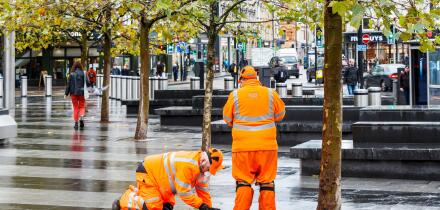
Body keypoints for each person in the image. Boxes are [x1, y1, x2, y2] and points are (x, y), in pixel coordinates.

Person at [223, 66, 286, 210]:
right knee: (267, 183)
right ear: (256, 78)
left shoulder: (235, 95)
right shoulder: (270, 93)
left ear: (241, 80)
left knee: (243, 183)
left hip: (242, 149)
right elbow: (280, 115)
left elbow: (227, 118)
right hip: (267, 148)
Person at [112, 148, 224, 210]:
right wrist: (201, 206)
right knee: (154, 207)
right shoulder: (188, 166)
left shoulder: (201, 169)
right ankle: (124, 200)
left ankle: (140, 196)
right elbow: (184, 193)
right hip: (148, 173)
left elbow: (203, 192)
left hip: (163, 181)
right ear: (204, 162)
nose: (209, 172)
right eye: (210, 169)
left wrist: (208, 208)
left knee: (167, 208)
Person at [65, 61, 90, 129]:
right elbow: (88, 83)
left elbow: (68, 85)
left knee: (75, 107)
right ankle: (81, 118)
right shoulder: (84, 73)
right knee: (82, 106)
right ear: (80, 66)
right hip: (82, 93)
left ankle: (76, 123)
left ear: (74, 67)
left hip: (73, 93)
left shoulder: (71, 74)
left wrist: (66, 93)